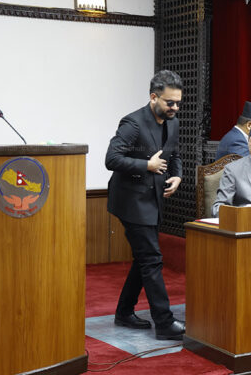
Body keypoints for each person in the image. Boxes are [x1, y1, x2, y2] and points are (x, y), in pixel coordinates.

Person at [105, 70, 186, 341]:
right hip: (130, 201)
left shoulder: (173, 122)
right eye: (170, 103)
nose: (175, 108)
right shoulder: (133, 123)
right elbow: (111, 158)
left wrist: (177, 176)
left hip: (153, 200)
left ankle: (124, 312)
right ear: (153, 97)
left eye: (178, 103)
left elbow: (174, 154)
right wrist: (146, 165)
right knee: (151, 258)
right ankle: (164, 322)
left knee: (144, 257)